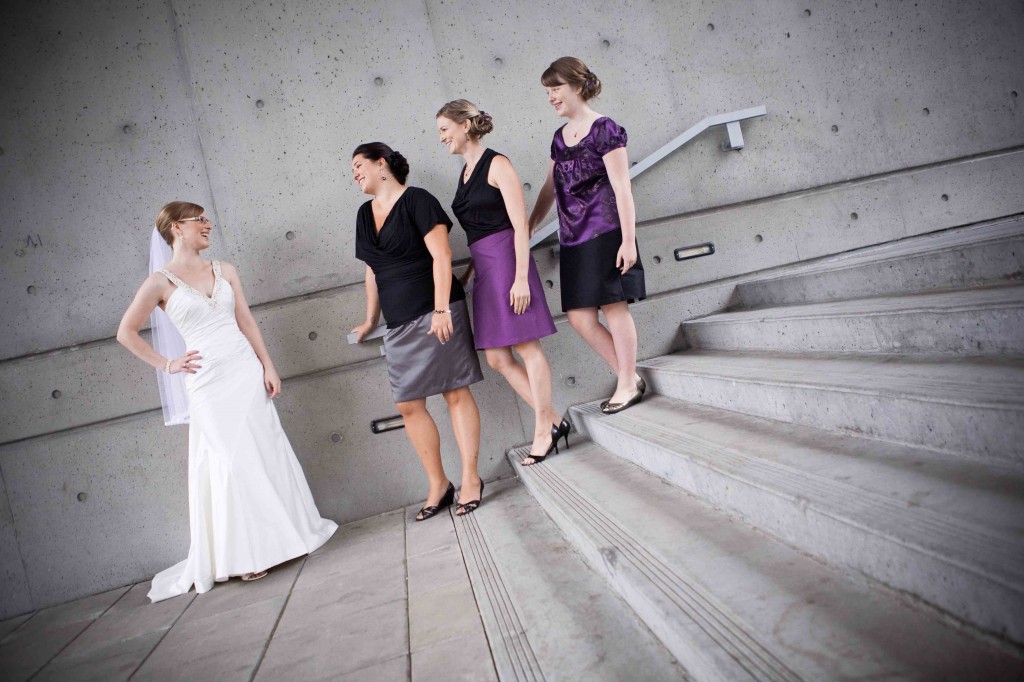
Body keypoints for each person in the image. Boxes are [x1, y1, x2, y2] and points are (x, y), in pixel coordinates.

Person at [116, 201, 337, 602]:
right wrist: (168, 364)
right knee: (229, 461)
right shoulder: (159, 283)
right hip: (207, 383)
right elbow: (126, 332)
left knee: (263, 451)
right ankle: (245, 554)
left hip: (243, 371)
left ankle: (286, 538)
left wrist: (267, 365)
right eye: (198, 220)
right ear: (176, 229)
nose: (207, 224)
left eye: (206, 218)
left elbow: (245, 320)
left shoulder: (225, 270)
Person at [349, 143, 487, 517]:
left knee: (455, 393)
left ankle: (471, 478)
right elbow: (372, 270)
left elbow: (443, 255)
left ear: (382, 164)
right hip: (398, 321)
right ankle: (439, 484)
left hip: (436, 309)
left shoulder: (418, 200)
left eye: (359, 166)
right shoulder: (364, 214)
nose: (355, 175)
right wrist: (370, 319)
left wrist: (442, 309)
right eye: (353, 171)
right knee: (408, 403)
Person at [436, 99, 569, 466]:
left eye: (444, 129)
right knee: (497, 357)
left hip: (510, 264)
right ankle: (555, 421)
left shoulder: (498, 164)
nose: (442, 137)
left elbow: (520, 226)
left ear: (464, 124)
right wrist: (468, 275)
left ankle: (543, 428)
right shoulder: (464, 173)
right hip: (484, 270)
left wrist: (522, 278)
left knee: (528, 349)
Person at [528, 57, 647, 415]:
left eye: (556, 89)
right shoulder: (559, 138)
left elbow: (622, 188)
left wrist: (628, 240)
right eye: (547, 92)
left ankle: (626, 382)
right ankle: (629, 376)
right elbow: (550, 186)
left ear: (577, 87)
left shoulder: (605, 129)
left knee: (614, 307)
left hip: (607, 230)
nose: (550, 97)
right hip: (573, 237)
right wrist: (532, 222)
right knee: (580, 318)